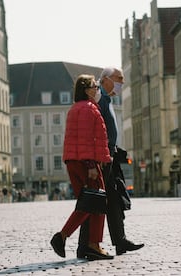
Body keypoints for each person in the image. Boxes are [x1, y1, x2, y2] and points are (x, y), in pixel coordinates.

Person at [77, 67, 144, 258]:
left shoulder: (106, 97)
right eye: (118, 79)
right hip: (102, 157)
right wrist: (96, 158)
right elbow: (93, 129)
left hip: (110, 156)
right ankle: (84, 246)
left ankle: (120, 240)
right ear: (106, 79)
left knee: (114, 199)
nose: (121, 83)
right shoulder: (98, 96)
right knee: (94, 200)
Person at [50, 74, 113, 260]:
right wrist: (92, 164)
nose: (97, 89)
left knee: (87, 204)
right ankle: (66, 238)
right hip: (86, 163)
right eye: (95, 86)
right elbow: (87, 140)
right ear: (86, 89)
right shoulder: (88, 109)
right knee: (98, 202)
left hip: (74, 162)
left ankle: (89, 244)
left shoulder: (75, 109)